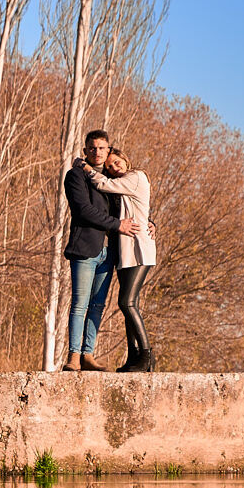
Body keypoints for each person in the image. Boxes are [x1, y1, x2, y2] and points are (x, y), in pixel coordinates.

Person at [61, 130, 142, 373]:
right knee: (80, 304)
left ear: (108, 150)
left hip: (109, 252)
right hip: (85, 249)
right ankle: (74, 356)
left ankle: (88, 354)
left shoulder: (111, 177)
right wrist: (117, 225)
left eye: (102, 148)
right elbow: (83, 210)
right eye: (92, 148)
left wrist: (150, 223)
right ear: (85, 150)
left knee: (97, 306)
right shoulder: (76, 176)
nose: (97, 152)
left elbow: (130, 204)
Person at [78, 147, 157, 372]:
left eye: (116, 162)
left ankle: (147, 355)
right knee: (131, 304)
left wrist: (85, 167)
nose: (114, 167)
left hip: (139, 249)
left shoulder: (136, 176)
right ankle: (133, 357)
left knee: (126, 302)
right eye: (110, 166)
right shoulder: (122, 184)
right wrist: (151, 220)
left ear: (125, 158)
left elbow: (104, 184)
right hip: (125, 251)